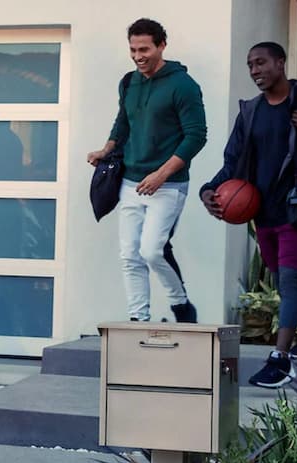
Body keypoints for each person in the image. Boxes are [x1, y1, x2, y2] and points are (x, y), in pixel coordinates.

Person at [201, 42, 297, 388]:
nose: (255, 70)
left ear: (281, 62)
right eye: (250, 65)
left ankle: (281, 360)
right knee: (281, 282)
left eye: (261, 62)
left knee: (290, 280)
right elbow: (232, 162)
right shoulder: (250, 112)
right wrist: (209, 190)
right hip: (263, 213)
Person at [88, 18, 208, 324]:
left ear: (162, 45)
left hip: (168, 185)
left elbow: (196, 136)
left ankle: (181, 305)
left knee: (152, 251)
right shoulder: (129, 81)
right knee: (129, 256)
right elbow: (123, 122)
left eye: (145, 49)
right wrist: (107, 148)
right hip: (130, 182)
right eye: (133, 49)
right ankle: (138, 319)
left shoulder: (183, 86)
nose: (138, 56)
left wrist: (162, 174)